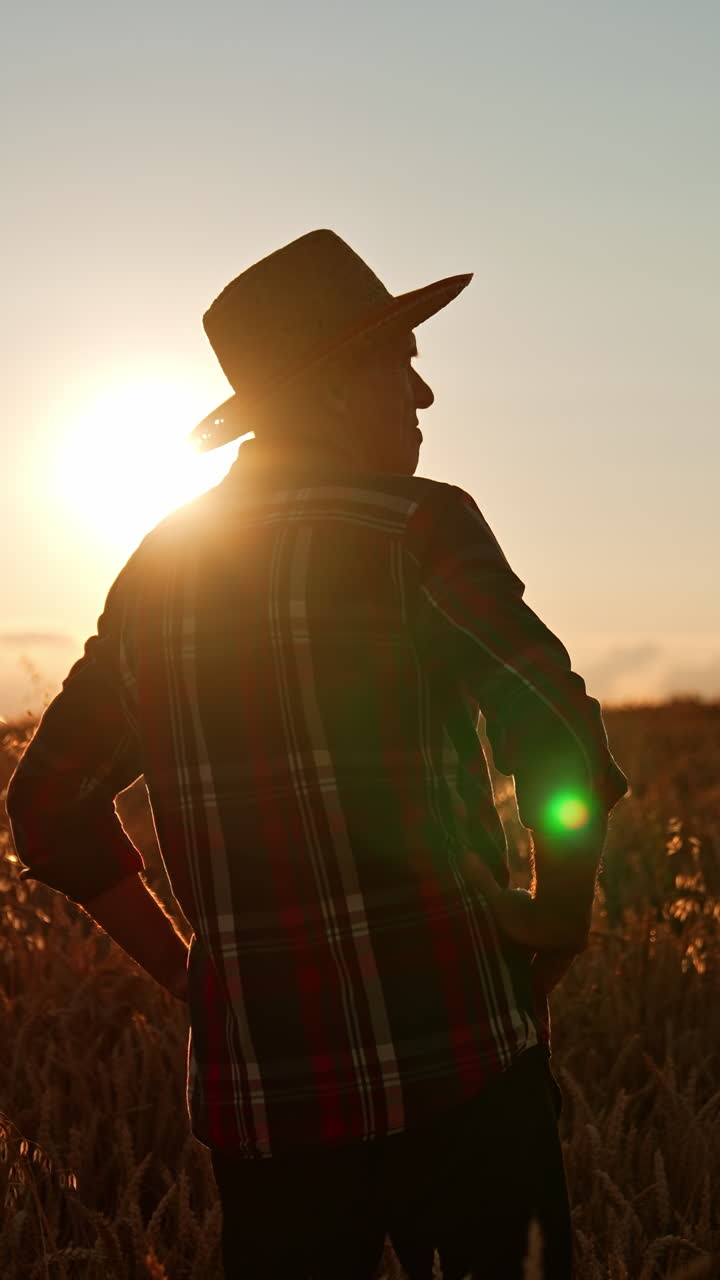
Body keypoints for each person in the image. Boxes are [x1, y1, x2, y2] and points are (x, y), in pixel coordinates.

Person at [7, 229, 628, 1279]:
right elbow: (559, 735)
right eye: (402, 363)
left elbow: (48, 807)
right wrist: (559, 907)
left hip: (268, 1113)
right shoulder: (419, 528)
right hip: (466, 1068)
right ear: (339, 387)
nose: (422, 396)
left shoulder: (160, 571)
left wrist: (191, 977)